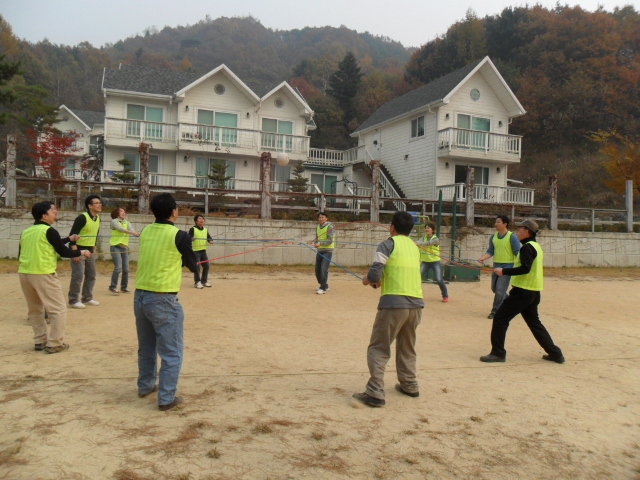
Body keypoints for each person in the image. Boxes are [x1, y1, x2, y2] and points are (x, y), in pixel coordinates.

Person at [353, 211, 424, 407]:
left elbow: (375, 274)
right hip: (416, 304)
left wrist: (368, 280)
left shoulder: (387, 244)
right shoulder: (415, 247)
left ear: (392, 227)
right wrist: (379, 281)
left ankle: (375, 391)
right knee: (407, 346)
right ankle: (409, 384)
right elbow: (401, 271)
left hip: (394, 304)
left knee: (379, 347)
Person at [134, 193, 198, 411]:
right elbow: (193, 265)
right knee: (172, 352)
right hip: (163, 299)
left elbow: (162, 256)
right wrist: (192, 261)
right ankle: (166, 398)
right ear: (173, 211)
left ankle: (145, 386)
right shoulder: (180, 236)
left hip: (140, 297)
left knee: (147, 347)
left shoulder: (146, 231)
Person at [480, 219, 565, 364]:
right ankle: (555, 353)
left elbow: (525, 268)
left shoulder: (527, 248)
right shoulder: (536, 246)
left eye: (520, 229)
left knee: (500, 319)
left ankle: (498, 353)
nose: (517, 231)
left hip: (523, 292)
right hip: (533, 292)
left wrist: (504, 271)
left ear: (527, 232)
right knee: (534, 323)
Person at [18, 201, 91, 354]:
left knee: (35, 310)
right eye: (52, 210)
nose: (56, 212)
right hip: (43, 273)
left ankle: (40, 341)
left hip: (25, 273)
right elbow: (63, 252)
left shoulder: (27, 231)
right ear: (44, 216)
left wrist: (69, 239)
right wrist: (82, 252)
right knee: (58, 309)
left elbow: (53, 243)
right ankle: (55, 343)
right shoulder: (49, 230)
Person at [478, 215, 521, 319]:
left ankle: (495, 311)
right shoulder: (493, 237)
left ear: (505, 224)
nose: (496, 224)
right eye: (496, 222)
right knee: (495, 288)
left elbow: (517, 252)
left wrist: (520, 266)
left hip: (507, 266)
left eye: (498, 222)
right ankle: (512, 301)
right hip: (496, 265)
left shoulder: (512, 237)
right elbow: (490, 251)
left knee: (500, 290)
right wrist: (483, 258)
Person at [68, 194, 102, 309]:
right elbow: (72, 235)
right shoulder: (82, 218)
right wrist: (75, 252)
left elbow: (95, 234)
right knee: (78, 275)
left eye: (100, 203)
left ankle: (87, 297)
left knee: (91, 275)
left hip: (89, 251)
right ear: (89, 206)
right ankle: (73, 300)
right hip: (78, 249)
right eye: (96, 203)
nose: (99, 205)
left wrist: (94, 248)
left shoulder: (98, 218)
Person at [109, 207, 139, 294]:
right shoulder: (114, 221)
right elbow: (120, 229)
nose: (123, 213)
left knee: (126, 269)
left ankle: (124, 287)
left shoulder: (127, 222)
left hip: (124, 247)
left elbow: (131, 229)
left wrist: (136, 233)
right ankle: (113, 287)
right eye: (121, 211)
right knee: (118, 267)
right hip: (115, 246)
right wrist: (132, 232)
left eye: (124, 211)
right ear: (117, 213)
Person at [416, 222, 449, 302]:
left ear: (433, 230)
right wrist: (415, 243)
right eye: (426, 228)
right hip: (425, 262)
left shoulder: (436, 239)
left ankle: (445, 296)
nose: (426, 229)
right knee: (417, 276)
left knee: (439, 279)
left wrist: (418, 243)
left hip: (435, 262)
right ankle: (415, 294)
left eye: (428, 228)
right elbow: (419, 241)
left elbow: (427, 243)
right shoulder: (423, 237)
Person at [312, 211, 335, 295]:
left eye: (323, 217)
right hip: (320, 251)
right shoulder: (318, 227)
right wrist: (316, 243)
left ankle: (323, 288)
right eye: (319, 217)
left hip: (327, 251)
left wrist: (320, 243)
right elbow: (317, 238)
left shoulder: (330, 227)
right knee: (317, 270)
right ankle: (324, 285)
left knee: (323, 269)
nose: (321, 219)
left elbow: (330, 240)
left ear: (326, 218)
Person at [188, 214, 214, 289]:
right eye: (199, 219)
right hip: (195, 251)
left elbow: (208, 237)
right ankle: (197, 282)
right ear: (196, 221)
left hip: (203, 251)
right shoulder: (193, 229)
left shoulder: (205, 230)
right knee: (197, 267)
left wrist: (210, 241)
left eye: (202, 219)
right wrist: (191, 239)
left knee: (206, 266)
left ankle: (204, 281)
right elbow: (188, 237)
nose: (201, 220)